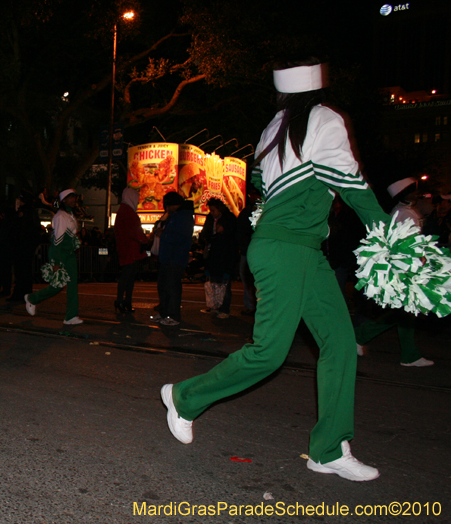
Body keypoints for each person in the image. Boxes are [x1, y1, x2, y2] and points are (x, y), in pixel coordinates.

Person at [161, 60, 391, 481]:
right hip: (286, 250)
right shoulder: (324, 120)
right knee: (269, 353)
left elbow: (262, 190)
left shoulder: (275, 127)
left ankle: (329, 448)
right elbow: (353, 184)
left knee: (340, 343)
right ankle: (184, 396)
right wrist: (393, 237)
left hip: (300, 249)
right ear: (317, 91)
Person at [354, 177, 434, 367]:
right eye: (414, 191)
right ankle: (361, 336)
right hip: (406, 265)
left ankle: (408, 354)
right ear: (405, 193)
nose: (417, 193)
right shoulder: (402, 212)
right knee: (405, 310)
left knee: (406, 310)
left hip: (410, 264)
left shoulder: (406, 210)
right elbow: (404, 241)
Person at [24, 189, 82, 325]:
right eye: (70, 197)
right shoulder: (61, 216)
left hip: (70, 254)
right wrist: (56, 261)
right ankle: (32, 299)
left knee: (73, 285)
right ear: (63, 200)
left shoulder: (70, 214)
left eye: (74, 197)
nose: (73, 200)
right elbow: (57, 240)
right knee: (58, 285)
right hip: (61, 254)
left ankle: (71, 316)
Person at [149, 192, 194, 326]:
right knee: (163, 286)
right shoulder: (174, 216)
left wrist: (164, 234)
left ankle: (173, 315)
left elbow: (180, 237)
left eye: (168, 205)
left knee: (172, 287)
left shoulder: (184, 217)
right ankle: (164, 312)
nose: (166, 209)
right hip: (167, 257)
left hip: (175, 257)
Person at [199, 198, 237, 319]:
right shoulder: (210, 219)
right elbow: (205, 233)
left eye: (213, 210)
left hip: (225, 255)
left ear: (219, 208)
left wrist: (222, 232)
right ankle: (215, 307)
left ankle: (224, 309)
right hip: (213, 254)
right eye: (210, 210)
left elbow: (232, 237)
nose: (211, 212)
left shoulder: (229, 218)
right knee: (214, 283)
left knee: (224, 285)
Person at [114, 187, 150, 313]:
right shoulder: (128, 212)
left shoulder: (123, 211)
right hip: (131, 250)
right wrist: (145, 241)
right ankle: (124, 301)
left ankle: (123, 301)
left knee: (127, 276)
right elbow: (135, 231)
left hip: (127, 249)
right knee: (128, 277)